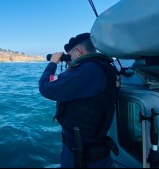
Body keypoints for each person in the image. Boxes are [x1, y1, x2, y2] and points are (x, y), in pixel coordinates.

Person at [38, 33, 120, 168]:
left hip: (82, 155)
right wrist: (71, 66)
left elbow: (45, 87)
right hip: (92, 147)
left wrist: (53, 63)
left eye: (70, 55)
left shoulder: (89, 70)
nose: (69, 59)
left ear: (79, 51)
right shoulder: (103, 67)